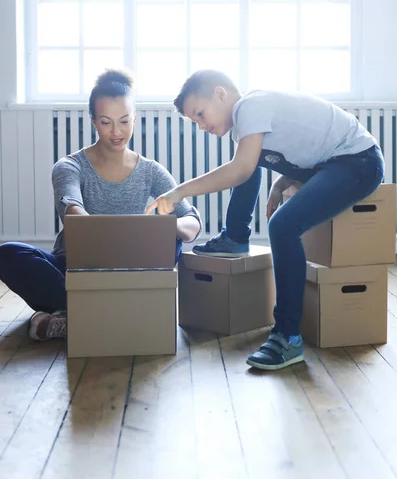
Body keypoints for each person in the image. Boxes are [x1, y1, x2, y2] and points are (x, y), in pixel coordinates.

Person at [146, 69, 384, 372]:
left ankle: (287, 337)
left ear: (220, 93)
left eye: (201, 114)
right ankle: (235, 237)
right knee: (248, 159)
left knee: (282, 226)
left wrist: (178, 192)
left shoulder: (250, 106)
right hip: (333, 162)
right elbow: (293, 150)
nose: (202, 125)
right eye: (195, 122)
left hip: (359, 162)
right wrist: (280, 183)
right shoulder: (248, 119)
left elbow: (240, 170)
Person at [0, 70, 201, 342]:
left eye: (124, 122)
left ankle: (77, 317)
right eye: (106, 122)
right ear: (94, 121)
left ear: (135, 120)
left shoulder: (151, 171)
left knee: (172, 241)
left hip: (129, 269)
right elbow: (74, 214)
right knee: (9, 254)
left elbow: (192, 223)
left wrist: (167, 226)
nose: (117, 132)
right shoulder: (70, 166)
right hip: (75, 267)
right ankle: (112, 313)